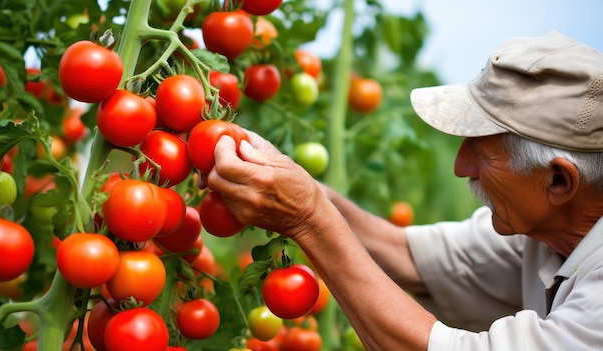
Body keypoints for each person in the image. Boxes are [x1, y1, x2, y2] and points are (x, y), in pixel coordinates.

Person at [203, 31, 603, 350]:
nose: (460, 166)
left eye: (479, 151)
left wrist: (306, 216)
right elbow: (404, 254)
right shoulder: (544, 232)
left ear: (558, 181)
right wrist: (290, 185)